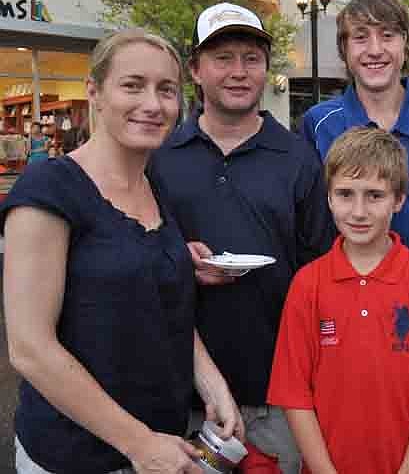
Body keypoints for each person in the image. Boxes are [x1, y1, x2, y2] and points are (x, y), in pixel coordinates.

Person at [2, 28, 243, 474]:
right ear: (95, 91)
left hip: (164, 447)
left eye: (166, 90)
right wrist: (138, 443)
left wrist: (212, 385)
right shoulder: (49, 188)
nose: (153, 104)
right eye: (133, 85)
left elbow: (164, 304)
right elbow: (30, 348)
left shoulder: (155, 188)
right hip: (77, 457)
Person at [149, 2, 335, 474]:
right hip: (179, 394)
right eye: (223, 57)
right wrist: (177, 260)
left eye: (251, 58)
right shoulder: (158, 158)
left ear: (266, 68)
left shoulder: (299, 159)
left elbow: (320, 273)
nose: (238, 71)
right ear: (195, 69)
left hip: (279, 393)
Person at [301, 0, 409, 472]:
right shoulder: (318, 123)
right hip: (348, 320)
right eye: (360, 37)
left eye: (387, 35)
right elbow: (315, 229)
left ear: (405, 46)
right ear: (345, 51)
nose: (374, 49)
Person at [268, 126, 409, 474]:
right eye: (345, 194)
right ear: (329, 197)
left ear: (399, 199)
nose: (358, 211)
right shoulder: (308, 284)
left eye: (374, 195)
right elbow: (294, 395)